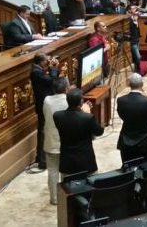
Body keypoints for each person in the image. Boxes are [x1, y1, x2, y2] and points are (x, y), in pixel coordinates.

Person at [53, 88, 105, 176]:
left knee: (67, 185)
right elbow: (99, 132)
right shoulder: (88, 118)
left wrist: (83, 112)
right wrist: (86, 112)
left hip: (67, 162)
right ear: (81, 102)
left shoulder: (57, 116)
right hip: (85, 162)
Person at [116, 74, 147, 163]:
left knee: (128, 167)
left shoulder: (121, 100)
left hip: (126, 140)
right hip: (145, 141)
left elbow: (122, 116)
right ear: (142, 84)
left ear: (129, 84)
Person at [30, 53, 59, 170]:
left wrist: (52, 68)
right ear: (40, 62)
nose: (47, 62)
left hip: (45, 104)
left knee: (43, 130)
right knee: (42, 131)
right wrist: (53, 69)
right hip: (42, 105)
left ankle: (40, 158)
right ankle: (42, 160)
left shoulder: (38, 70)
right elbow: (51, 81)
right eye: (46, 61)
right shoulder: (36, 72)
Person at [42, 77, 69, 205]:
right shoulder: (68, 101)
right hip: (65, 142)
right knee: (65, 171)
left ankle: (54, 198)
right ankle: (66, 195)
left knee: (52, 172)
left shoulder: (47, 101)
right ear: (66, 88)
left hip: (51, 142)